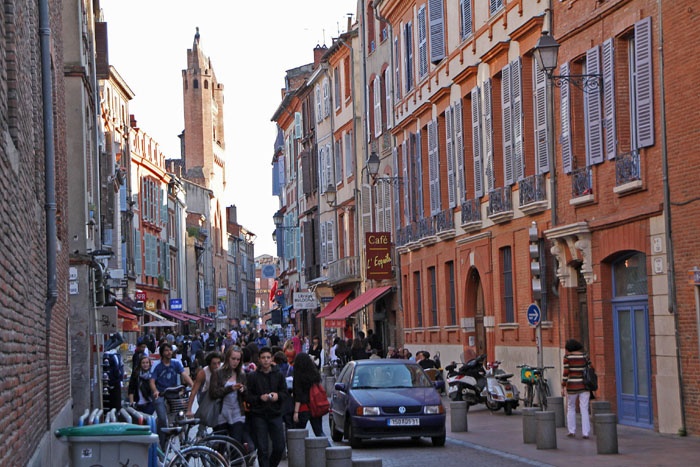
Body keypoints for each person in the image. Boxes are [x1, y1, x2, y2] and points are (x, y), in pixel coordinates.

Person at [246, 347, 288, 467]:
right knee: (262, 448)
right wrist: (260, 398)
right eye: (263, 358)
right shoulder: (253, 376)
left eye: (268, 358)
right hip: (259, 415)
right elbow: (248, 397)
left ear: (272, 359)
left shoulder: (278, 375)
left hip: (275, 414)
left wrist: (277, 396)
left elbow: (285, 393)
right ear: (259, 359)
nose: (266, 360)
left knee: (279, 446)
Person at [150, 343, 194, 448]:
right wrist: (155, 391)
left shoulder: (176, 363)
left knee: (181, 418)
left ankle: (183, 441)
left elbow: (184, 375)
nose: (169, 352)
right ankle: (162, 441)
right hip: (161, 394)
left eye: (170, 350)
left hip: (174, 394)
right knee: (162, 419)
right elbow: (152, 381)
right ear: (162, 353)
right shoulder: (157, 365)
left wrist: (193, 386)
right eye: (166, 350)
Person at [209, 347, 247, 443]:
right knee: (220, 444)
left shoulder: (241, 374)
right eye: (233, 359)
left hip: (237, 412)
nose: (235, 362)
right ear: (227, 358)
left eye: (238, 359)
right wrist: (230, 389)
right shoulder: (218, 372)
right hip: (221, 413)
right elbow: (213, 393)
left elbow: (246, 394)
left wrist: (243, 389)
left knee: (236, 443)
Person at [562, 339, 592, 439]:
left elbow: (566, 373)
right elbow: (591, 368)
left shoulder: (567, 357)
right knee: (584, 409)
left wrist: (563, 386)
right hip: (584, 385)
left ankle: (572, 430)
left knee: (571, 407)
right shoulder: (585, 356)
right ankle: (586, 432)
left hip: (572, 385)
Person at [292, 353, 325, 437]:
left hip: (303, 407)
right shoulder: (314, 375)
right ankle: (328, 448)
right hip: (315, 406)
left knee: (298, 434)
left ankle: (298, 450)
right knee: (319, 432)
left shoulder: (298, 376)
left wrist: (296, 412)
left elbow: (299, 395)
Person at [185, 351, 222, 420]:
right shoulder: (203, 373)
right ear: (209, 364)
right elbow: (194, 391)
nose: (217, 366)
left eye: (219, 363)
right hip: (205, 396)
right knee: (204, 418)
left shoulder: (222, 369)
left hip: (218, 395)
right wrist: (189, 410)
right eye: (214, 364)